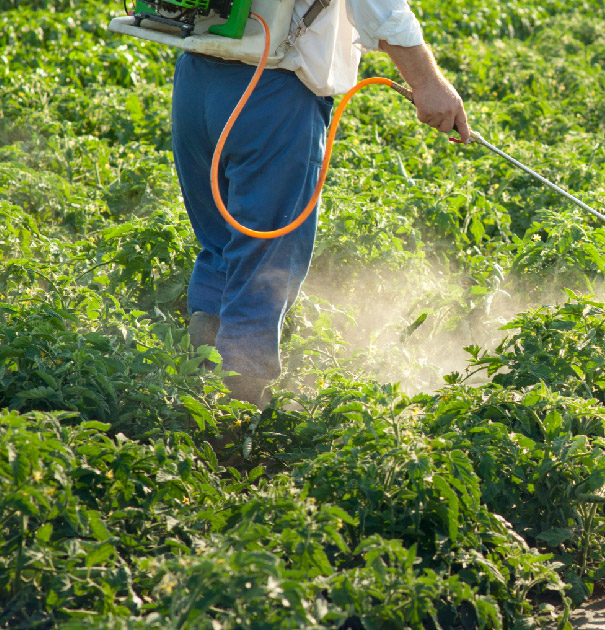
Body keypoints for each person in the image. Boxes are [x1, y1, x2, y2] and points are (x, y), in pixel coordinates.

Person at [174, 0, 469, 407]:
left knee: (222, 248)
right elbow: (380, 8)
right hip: (269, 93)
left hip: (196, 83)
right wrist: (428, 83)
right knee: (263, 266)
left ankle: (193, 391)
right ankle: (231, 423)